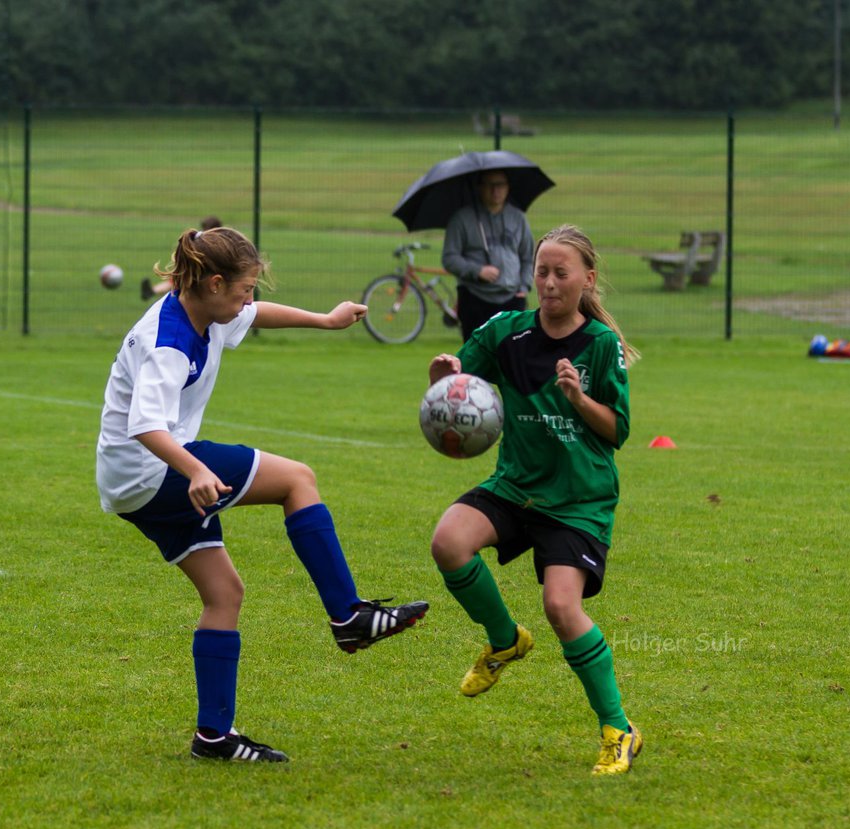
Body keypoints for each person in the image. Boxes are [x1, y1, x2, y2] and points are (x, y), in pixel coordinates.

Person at [98, 226, 429, 764]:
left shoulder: (205, 311)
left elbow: (257, 316)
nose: (249, 301)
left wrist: (324, 320)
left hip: (131, 482)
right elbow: (146, 426)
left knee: (224, 594)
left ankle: (214, 737)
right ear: (212, 282)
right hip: (155, 468)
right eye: (243, 290)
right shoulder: (170, 341)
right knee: (298, 478)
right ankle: (348, 617)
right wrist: (196, 471)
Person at [426, 224, 644, 775]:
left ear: (586, 280)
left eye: (560, 273)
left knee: (561, 608)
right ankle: (505, 640)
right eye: (541, 271)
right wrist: (445, 376)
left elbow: (616, 430)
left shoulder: (599, 345)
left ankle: (619, 728)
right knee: (449, 542)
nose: (547, 282)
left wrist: (576, 396)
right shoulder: (507, 331)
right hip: (516, 485)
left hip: (577, 500)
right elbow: (460, 377)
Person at [441, 170, 535, 341]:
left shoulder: (518, 218)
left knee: (512, 360)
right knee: (476, 361)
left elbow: (528, 257)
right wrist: (477, 270)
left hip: (512, 299)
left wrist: (524, 286)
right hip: (475, 299)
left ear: (508, 187)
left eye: (500, 184)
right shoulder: (462, 219)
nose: (495, 190)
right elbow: (449, 258)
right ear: (479, 187)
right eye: (490, 185)